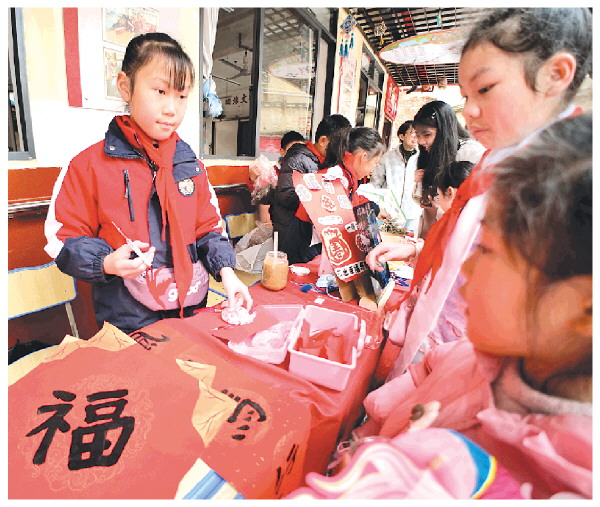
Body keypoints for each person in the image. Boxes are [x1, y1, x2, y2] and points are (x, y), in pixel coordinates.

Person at [292, 113, 592, 500]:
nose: (463, 269)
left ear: (582, 308)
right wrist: (386, 411)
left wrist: (406, 449)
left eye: (486, 252)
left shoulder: (535, 480)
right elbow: (428, 369)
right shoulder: (478, 355)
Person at [366, 7, 591, 377]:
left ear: (555, 75)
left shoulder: (569, 186)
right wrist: (418, 249)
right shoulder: (497, 157)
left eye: (485, 89)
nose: (468, 111)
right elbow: (466, 243)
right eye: (465, 94)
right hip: (436, 344)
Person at [44, 32, 252, 334]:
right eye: (160, 91)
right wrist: (106, 262)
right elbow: (62, 238)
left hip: (191, 308)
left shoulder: (191, 165)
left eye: (182, 96)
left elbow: (209, 228)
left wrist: (228, 274)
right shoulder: (87, 165)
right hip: (127, 318)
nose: (172, 109)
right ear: (125, 86)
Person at [271, 114, 351, 264]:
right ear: (323, 140)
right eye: (338, 144)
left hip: (312, 234)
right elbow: (285, 195)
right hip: (292, 232)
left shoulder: (326, 162)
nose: (341, 150)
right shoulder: (297, 159)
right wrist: (317, 197)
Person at [412, 100, 485, 238]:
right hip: (431, 229)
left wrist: (438, 211)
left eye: (427, 134)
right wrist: (419, 182)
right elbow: (421, 199)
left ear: (444, 131)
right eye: (417, 135)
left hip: (456, 234)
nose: (421, 141)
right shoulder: (428, 152)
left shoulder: (471, 153)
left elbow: (474, 208)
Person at [369, 121, 421, 233]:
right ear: (401, 136)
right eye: (412, 132)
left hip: (413, 211)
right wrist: (377, 205)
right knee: (388, 238)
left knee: (407, 240)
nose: (416, 136)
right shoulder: (387, 157)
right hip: (390, 211)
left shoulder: (421, 159)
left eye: (418, 133)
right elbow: (375, 183)